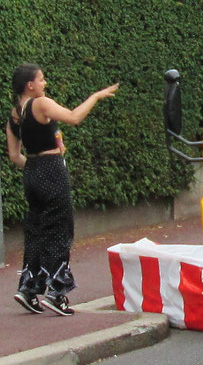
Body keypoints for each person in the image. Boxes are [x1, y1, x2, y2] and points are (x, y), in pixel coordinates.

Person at [5, 64, 118, 316]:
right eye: (41, 80)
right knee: (60, 230)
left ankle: (29, 289)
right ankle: (56, 293)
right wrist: (95, 96)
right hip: (52, 171)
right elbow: (74, 117)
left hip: (32, 172)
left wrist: (34, 168)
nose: (45, 84)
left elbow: (14, 155)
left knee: (36, 230)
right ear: (30, 85)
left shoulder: (15, 113)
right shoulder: (41, 104)